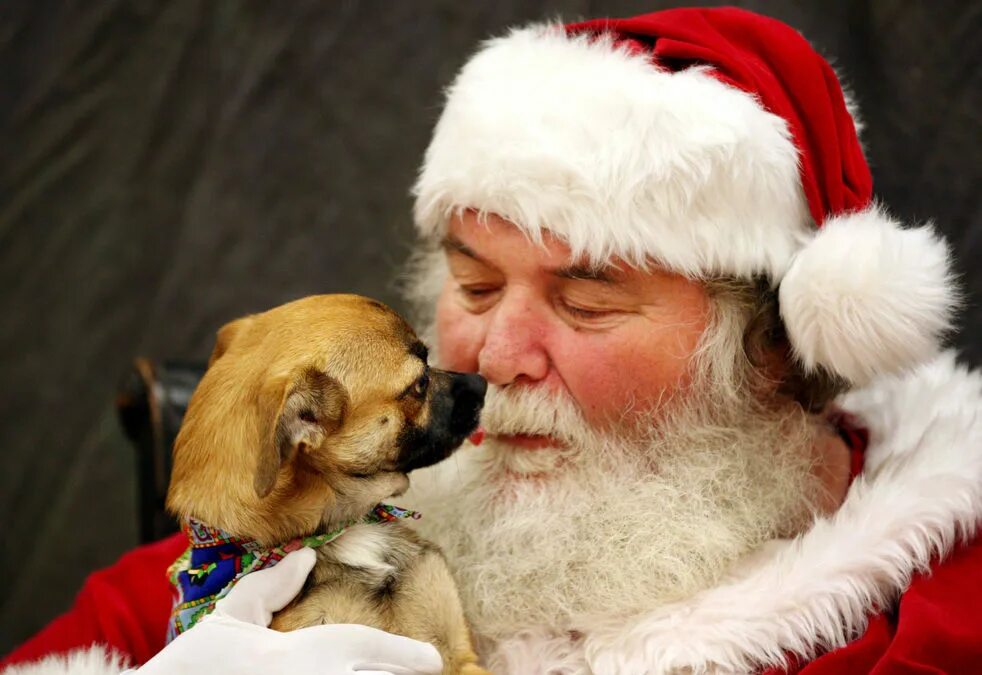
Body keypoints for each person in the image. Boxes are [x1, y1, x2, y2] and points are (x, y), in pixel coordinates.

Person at [4, 6, 981, 674]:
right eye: (472, 283)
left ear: (773, 351)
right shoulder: (317, 520)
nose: (490, 352)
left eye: (587, 301)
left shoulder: (935, 616)